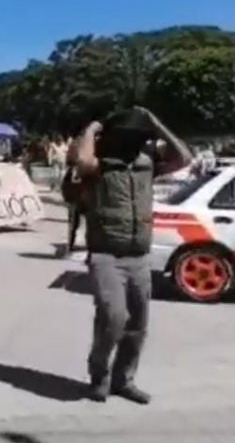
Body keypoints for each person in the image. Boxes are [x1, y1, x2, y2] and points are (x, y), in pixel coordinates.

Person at [74, 106, 191, 404]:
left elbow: (184, 158)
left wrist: (155, 121)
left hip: (138, 255)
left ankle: (123, 380)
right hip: (106, 255)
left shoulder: (146, 165)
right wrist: (93, 128)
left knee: (137, 326)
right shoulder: (100, 167)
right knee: (113, 317)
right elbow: (83, 161)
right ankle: (99, 375)